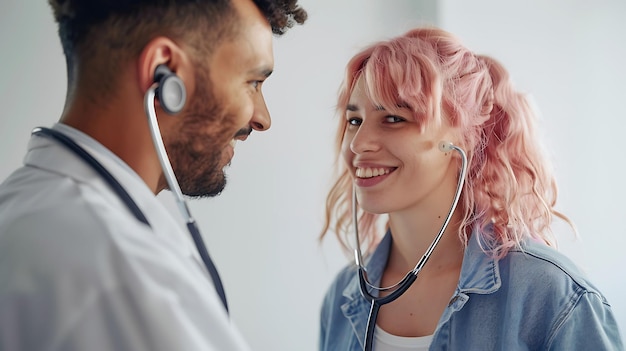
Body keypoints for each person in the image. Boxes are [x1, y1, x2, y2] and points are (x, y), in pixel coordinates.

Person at [0, 0, 306, 350]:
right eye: (252, 82)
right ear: (165, 73)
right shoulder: (124, 277)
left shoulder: (19, 205)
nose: (262, 118)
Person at [318, 27, 623, 351]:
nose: (359, 143)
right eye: (354, 120)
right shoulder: (342, 298)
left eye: (394, 118)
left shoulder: (552, 297)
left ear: (463, 138)